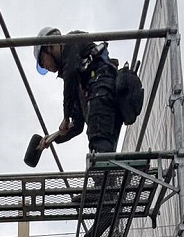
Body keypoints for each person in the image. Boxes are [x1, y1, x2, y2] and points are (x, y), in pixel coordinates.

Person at [33, 26, 122, 155]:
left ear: (50, 46)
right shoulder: (79, 80)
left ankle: (104, 168)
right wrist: (54, 138)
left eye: (42, 61)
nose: (46, 67)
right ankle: (106, 170)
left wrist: (66, 116)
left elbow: (71, 74)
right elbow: (78, 124)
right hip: (100, 98)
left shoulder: (71, 42)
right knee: (101, 147)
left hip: (102, 90)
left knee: (99, 147)